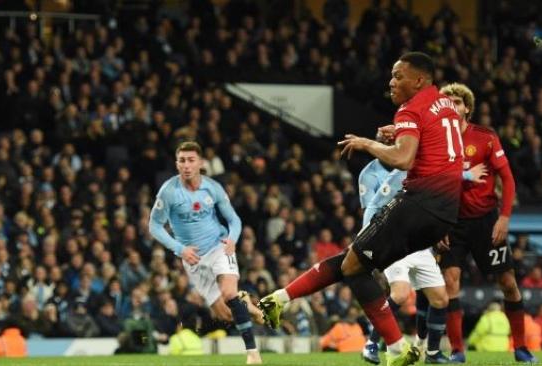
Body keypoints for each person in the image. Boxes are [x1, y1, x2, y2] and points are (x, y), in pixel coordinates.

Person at [259, 52, 463, 366]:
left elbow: (402, 159)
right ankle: (280, 298)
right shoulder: (446, 105)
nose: (391, 82)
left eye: (398, 76)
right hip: (447, 211)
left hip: (419, 203)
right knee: (353, 262)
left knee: (354, 269)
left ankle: (394, 350)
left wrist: (368, 143)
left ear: (419, 80)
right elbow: (438, 144)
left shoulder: (409, 109)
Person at [438, 83, 537, 363]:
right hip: (451, 222)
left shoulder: (485, 137)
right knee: (450, 282)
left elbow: (507, 178)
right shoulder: (435, 141)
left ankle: (520, 347)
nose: (451, 106)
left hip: (486, 221)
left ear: (466, 107)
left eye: (456, 101)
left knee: (508, 282)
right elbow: (430, 185)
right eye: (446, 102)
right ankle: (457, 351)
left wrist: (504, 217)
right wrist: (437, 226)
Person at [149, 141, 263, 364]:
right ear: (176, 164)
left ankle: (252, 353)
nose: (186, 165)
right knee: (225, 314)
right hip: (192, 259)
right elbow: (153, 226)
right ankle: (246, 303)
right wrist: (180, 249)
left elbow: (234, 220)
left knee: (229, 293)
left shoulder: (213, 188)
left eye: (191, 160)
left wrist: (232, 239)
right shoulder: (169, 192)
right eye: (182, 161)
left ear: (201, 163)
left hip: (218, 246)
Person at [358, 159, 452, 364]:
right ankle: (371, 345)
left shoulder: (434, 178)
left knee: (441, 299)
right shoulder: (400, 175)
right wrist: (368, 241)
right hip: (396, 243)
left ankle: (433, 353)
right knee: (399, 294)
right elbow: (373, 205)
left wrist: (438, 235)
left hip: (421, 247)